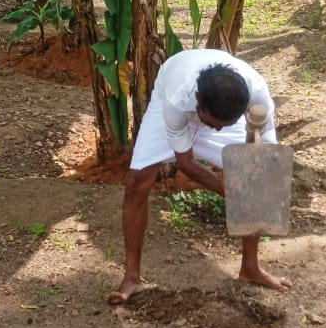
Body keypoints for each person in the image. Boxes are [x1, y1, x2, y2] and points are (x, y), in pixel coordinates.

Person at [107, 48, 292, 304]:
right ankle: (132, 278)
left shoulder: (257, 95)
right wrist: (228, 191)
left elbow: (262, 158)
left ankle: (250, 268)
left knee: (255, 177)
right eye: (213, 124)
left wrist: (252, 177)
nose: (218, 130)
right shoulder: (177, 99)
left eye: (225, 126)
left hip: (217, 107)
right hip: (173, 98)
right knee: (137, 182)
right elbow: (186, 162)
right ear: (197, 100)